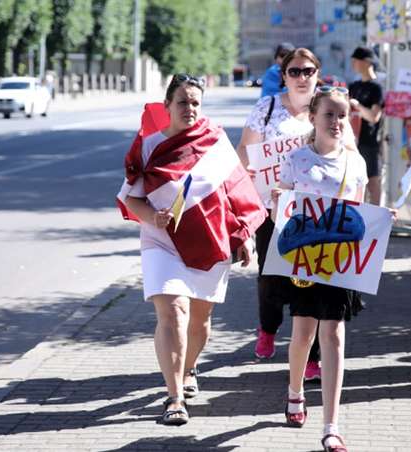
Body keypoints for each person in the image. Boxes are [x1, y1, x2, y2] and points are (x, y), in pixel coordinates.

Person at [117, 74, 266, 424]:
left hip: (209, 238)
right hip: (162, 241)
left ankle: (187, 368)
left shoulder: (214, 141)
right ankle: (173, 399)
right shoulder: (148, 145)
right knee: (174, 312)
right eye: (182, 102)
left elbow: (238, 192)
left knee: (200, 320)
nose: (190, 108)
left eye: (196, 102)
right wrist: (152, 217)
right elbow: (131, 197)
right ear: (167, 105)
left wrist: (243, 234)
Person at [271, 86, 368, 452]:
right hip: (306, 257)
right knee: (303, 333)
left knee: (334, 335)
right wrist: (278, 203)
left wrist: (382, 220)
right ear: (313, 117)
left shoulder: (355, 162)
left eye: (342, 115)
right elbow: (279, 212)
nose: (337, 121)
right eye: (329, 114)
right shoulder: (297, 160)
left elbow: (361, 213)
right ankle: (295, 392)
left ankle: (332, 426)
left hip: (340, 259)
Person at [237, 48, 323, 381]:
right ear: (283, 74)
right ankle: (268, 328)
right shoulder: (267, 107)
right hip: (271, 210)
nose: (302, 77)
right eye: (294, 71)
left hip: (315, 213)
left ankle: (312, 357)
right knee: (271, 277)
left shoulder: (326, 107)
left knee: (313, 282)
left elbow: (345, 150)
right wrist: (246, 193)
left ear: (318, 73)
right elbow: (246, 151)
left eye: (308, 71)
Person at [349, 46, 384, 205]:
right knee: (355, 182)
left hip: (369, 141)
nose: (353, 64)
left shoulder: (376, 87)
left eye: (356, 61)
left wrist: (358, 106)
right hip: (353, 141)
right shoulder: (354, 86)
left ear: (367, 62)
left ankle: (377, 217)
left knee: (373, 181)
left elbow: (374, 116)